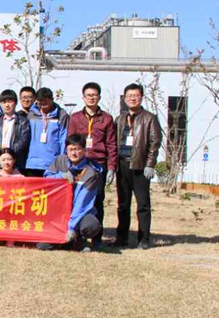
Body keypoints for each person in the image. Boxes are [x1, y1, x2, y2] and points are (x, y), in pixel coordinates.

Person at [113, 83, 162, 250]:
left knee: (143, 204)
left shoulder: (150, 118)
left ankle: (144, 239)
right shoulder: (120, 119)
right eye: (129, 96)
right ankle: (121, 238)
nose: (132, 98)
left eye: (136, 96)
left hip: (140, 166)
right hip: (122, 165)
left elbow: (155, 142)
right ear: (124, 98)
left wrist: (150, 164)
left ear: (141, 97)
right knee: (123, 204)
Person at [68, 82, 117, 249]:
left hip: (98, 164)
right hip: (80, 164)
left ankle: (96, 238)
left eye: (94, 95)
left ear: (99, 97)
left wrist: (111, 167)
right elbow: (70, 142)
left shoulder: (107, 119)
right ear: (83, 98)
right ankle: (79, 237)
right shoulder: (75, 118)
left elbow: (111, 144)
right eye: (88, 95)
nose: (91, 98)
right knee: (78, 200)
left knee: (97, 201)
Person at [38, 134, 103, 252]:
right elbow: (46, 179)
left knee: (91, 225)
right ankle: (64, 241)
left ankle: (79, 238)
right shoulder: (60, 160)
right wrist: (61, 177)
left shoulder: (91, 173)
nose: (73, 153)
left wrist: (71, 227)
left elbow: (82, 204)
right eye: (70, 149)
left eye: (77, 149)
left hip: (79, 212)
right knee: (42, 246)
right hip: (58, 210)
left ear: (84, 150)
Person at [25, 87, 68, 177]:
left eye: (46, 103)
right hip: (33, 163)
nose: (43, 106)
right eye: (40, 103)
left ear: (52, 100)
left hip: (52, 162)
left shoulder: (61, 114)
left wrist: (62, 160)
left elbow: (63, 139)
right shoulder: (31, 114)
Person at [0, 89, 31, 171]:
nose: (7, 105)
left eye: (9, 101)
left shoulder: (23, 121)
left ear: (15, 103)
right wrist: (0, 156)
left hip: (16, 163)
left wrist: (9, 155)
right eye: (4, 102)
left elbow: (23, 140)